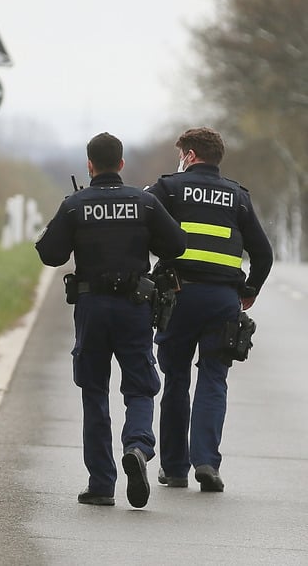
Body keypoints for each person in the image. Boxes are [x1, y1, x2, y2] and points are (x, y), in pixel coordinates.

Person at [36, 132, 187, 508]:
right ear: (121, 164)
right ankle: (137, 446)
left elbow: (50, 255)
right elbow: (177, 246)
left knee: (94, 391)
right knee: (139, 386)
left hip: (92, 309)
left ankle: (102, 484)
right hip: (135, 307)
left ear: (90, 165)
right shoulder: (145, 202)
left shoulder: (75, 204)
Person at [146, 126, 273, 493]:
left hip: (178, 295)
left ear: (188, 154)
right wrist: (250, 289)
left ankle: (173, 468)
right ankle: (206, 461)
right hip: (222, 301)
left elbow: (141, 222)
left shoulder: (168, 188)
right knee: (214, 379)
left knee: (176, 380)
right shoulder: (238, 197)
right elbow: (262, 254)